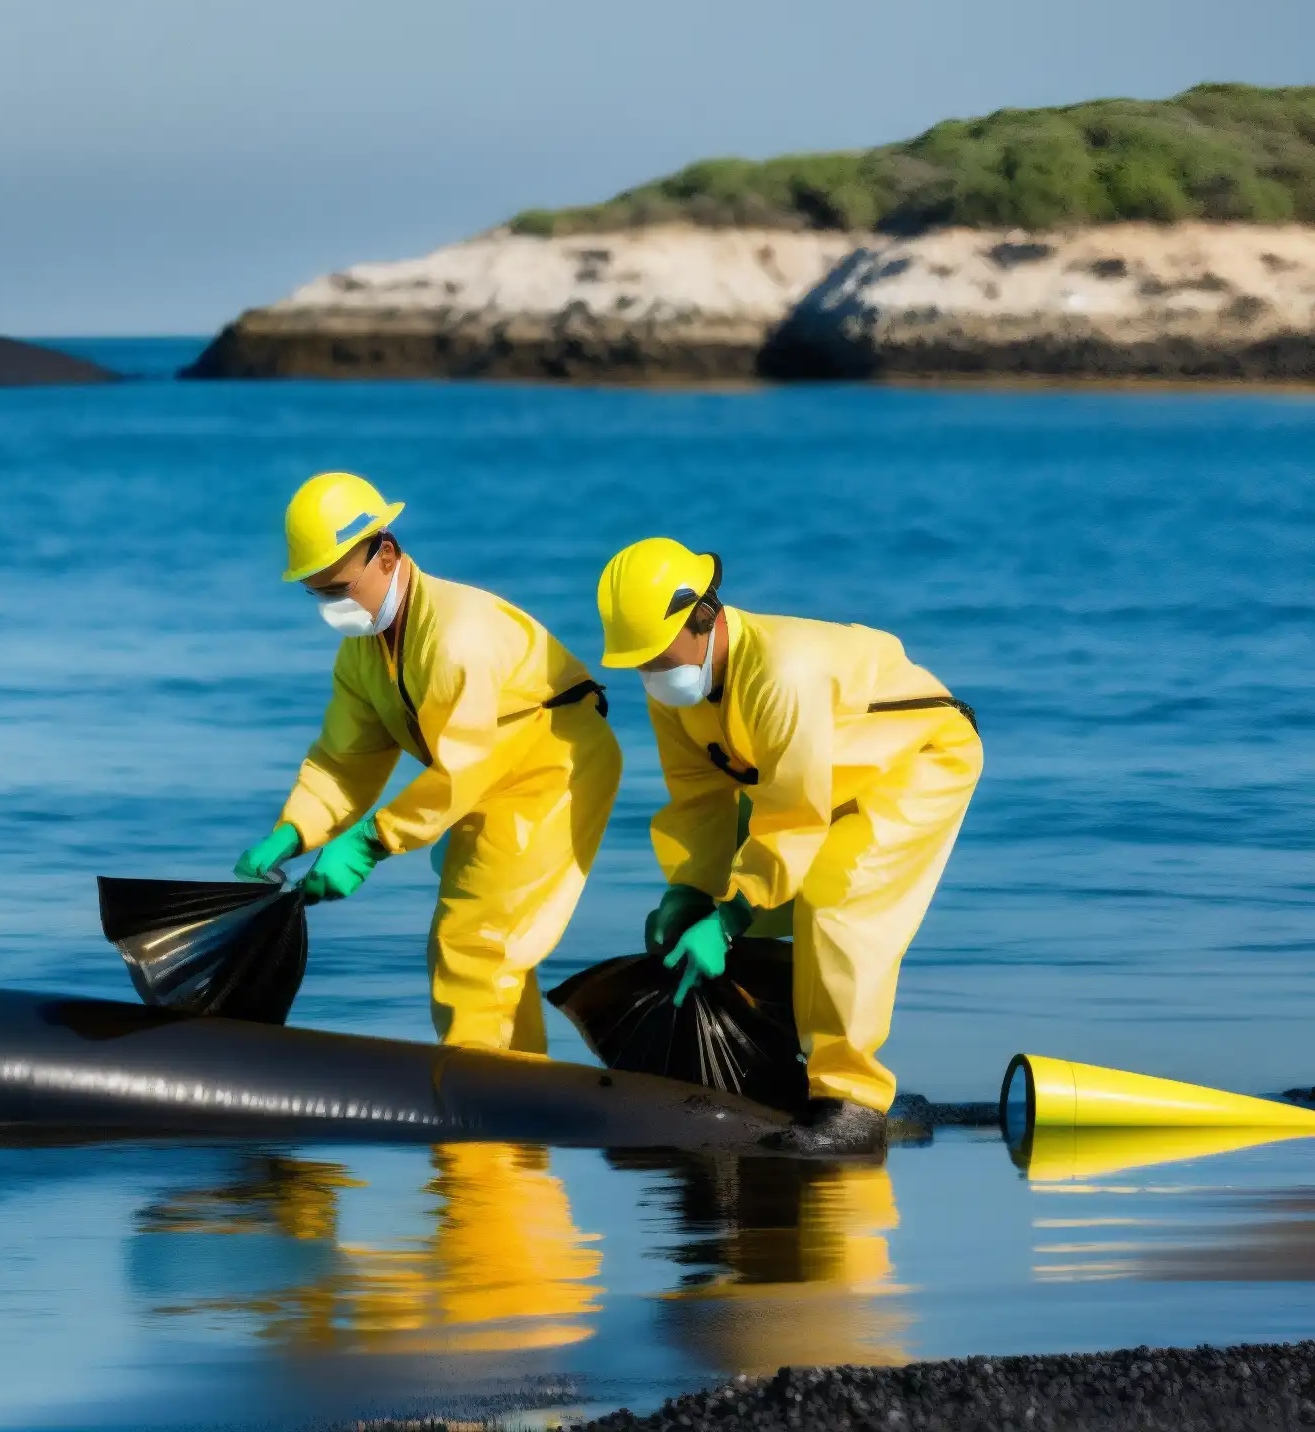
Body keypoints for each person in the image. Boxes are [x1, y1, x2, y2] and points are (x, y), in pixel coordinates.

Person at [595, 539, 982, 1155]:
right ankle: (791, 1048)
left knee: (837, 905)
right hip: (814, 780)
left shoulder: (780, 673)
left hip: (914, 762)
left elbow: (792, 816)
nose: (650, 672)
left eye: (656, 655)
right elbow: (698, 798)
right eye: (638, 661)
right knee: (740, 902)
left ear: (703, 617)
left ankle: (851, 1101)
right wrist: (690, 892)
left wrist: (727, 919)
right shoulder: (678, 690)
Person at [234, 473, 621, 1054]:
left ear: (386, 554)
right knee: (482, 940)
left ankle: (480, 1119)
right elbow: (346, 760)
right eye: (319, 593)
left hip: (551, 767)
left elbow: (463, 766)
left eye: (340, 587)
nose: (336, 606)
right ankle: (517, 1099)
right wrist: (294, 831)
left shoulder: (456, 636)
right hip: (490, 777)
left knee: (476, 943)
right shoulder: (363, 653)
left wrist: (369, 842)